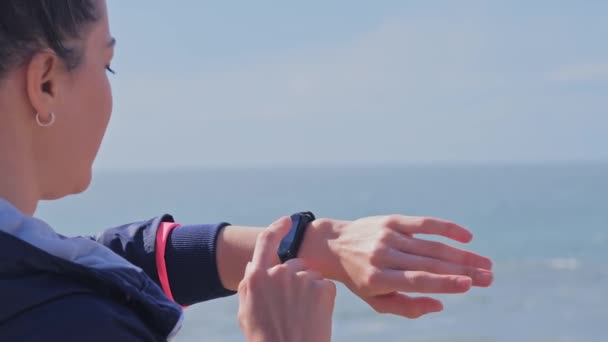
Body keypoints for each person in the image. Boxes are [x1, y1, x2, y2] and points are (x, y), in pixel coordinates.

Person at [0, 0, 494, 341]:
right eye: (106, 65)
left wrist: (308, 244)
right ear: (45, 83)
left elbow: (100, 263)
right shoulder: (76, 326)